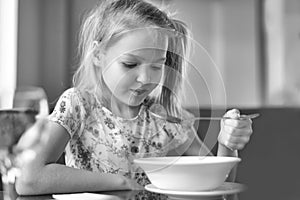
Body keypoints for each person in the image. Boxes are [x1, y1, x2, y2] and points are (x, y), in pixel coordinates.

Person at [15, 0, 253, 195]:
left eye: (157, 66)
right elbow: (29, 178)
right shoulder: (79, 105)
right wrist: (119, 182)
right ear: (98, 55)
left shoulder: (166, 118)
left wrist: (226, 144)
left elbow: (216, 185)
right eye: (130, 64)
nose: (145, 79)